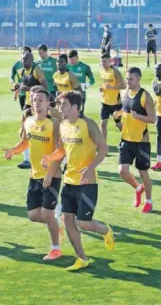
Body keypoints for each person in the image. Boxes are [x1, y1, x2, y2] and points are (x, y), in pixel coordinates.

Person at [42, 91, 115, 271]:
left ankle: (106, 231)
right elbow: (62, 150)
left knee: (83, 223)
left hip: (87, 183)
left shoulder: (88, 124)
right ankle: (82, 258)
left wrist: (90, 168)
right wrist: (50, 158)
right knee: (68, 221)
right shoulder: (63, 125)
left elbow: (103, 148)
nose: (60, 109)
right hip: (69, 181)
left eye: (64, 105)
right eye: (59, 105)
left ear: (76, 107)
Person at [3, 89, 63, 260]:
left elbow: (60, 151)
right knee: (33, 215)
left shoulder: (54, 124)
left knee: (47, 214)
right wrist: (13, 151)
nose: (37, 103)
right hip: (35, 175)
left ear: (48, 103)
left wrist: (50, 174)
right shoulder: (28, 121)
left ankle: (56, 248)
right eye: (34, 100)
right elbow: (26, 142)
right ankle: (57, 223)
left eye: (41, 100)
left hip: (52, 175)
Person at [116, 67, 156, 213]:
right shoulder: (124, 94)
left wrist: (138, 117)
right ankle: (138, 188)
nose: (128, 81)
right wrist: (117, 118)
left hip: (141, 142)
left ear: (138, 79)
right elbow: (124, 115)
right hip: (126, 140)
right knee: (122, 171)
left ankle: (149, 201)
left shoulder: (145, 96)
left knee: (143, 172)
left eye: (131, 79)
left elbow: (153, 119)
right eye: (127, 79)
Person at [14, 52, 50, 169]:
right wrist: (18, 86)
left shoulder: (36, 70)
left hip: (38, 106)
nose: (23, 61)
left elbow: (45, 87)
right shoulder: (24, 72)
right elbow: (26, 84)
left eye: (26, 59)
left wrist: (28, 88)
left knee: (42, 131)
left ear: (31, 60)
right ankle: (26, 160)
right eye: (22, 59)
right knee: (24, 131)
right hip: (29, 105)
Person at [99, 52, 126, 141]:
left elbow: (123, 86)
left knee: (118, 124)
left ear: (110, 61)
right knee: (103, 124)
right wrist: (102, 88)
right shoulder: (101, 70)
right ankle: (104, 145)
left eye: (105, 61)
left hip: (116, 104)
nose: (103, 63)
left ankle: (127, 138)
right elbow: (103, 84)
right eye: (102, 61)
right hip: (105, 102)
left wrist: (112, 87)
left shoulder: (115, 72)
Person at [67, 49, 95, 115]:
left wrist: (85, 86)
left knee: (79, 115)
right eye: (70, 60)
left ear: (77, 57)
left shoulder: (85, 67)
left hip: (81, 94)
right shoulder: (67, 67)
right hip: (69, 94)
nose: (72, 61)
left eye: (73, 60)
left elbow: (92, 80)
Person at [10, 46, 32, 111]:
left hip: (31, 93)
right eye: (23, 53)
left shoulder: (34, 65)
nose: (24, 55)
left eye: (26, 54)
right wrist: (14, 84)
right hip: (22, 93)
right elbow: (11, 77)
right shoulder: (16, 65)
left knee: (30, 113)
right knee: (24, 113)